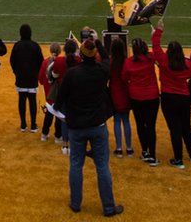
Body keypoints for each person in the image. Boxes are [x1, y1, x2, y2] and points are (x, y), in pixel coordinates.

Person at [55, 38, 124, 217]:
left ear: (81, 55)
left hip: (77, 126)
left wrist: (58, 109)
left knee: (76, 165)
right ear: (95, 55)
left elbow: (60, 98)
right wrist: (98, 42)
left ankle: (76, 203)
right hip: (97, 125)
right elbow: (108, 60)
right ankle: (108, 207)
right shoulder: (101, 71)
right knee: (102, 166)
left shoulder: (72, 74)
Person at [151, 21, 191, 168]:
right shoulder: (187, 64)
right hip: (184, 97)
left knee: (175, 129)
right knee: (186, 127)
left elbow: (156, 47)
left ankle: (178, 159)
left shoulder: (164, 61)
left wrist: (158, 31)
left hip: (168, 97)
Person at [122, 37, 159, 166]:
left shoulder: (129, 62)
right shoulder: (150, 58)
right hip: (152, 96)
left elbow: (124, 78)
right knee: (150, 125)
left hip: (136, 97)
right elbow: (157, 53)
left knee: (140, 124)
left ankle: (145, 151)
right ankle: (152, 154)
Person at [10, 23, 44, 133]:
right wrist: (37, 73)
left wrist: (16, 72)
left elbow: (12, 61)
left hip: (20, 77)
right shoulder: (35, 46)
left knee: (22, 99)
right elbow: (41, 62)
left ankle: (23, 124)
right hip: (32, 77)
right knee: (32, 100)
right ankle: (33, 125)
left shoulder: (17, 45)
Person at [108, 39, 132, 158]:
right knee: (126, 120)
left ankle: (118, 148)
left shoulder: (111, 62)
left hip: (115, 92)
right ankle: (129, 148)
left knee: (117, 121)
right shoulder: (126, 61)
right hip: (125, 92)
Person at [39, 42, 63, 143]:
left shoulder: (45, 62)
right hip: (59, 93)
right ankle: (58, 136)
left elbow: (40, 79)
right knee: (58, 115)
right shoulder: (62, 62)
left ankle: (44, 134)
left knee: (49, 114)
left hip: (48, 93)